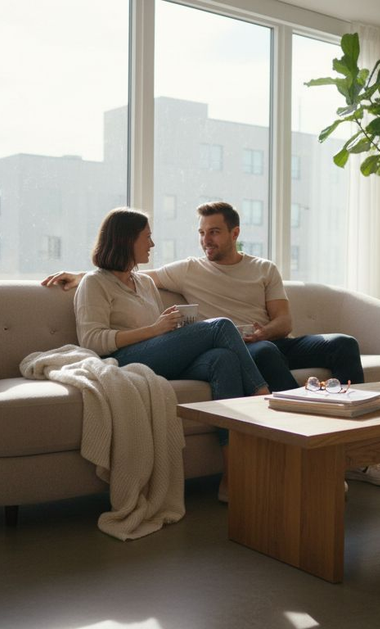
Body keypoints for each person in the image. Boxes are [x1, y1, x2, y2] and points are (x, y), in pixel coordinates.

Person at [44, 202, 380, 488]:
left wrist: (263, 332)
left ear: (234, 233)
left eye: (213, 232)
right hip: (186, 353)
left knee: (330, 345)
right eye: (202, 233)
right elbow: (100, 314)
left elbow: (284, 322)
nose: (205, 240)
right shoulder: (177, 270)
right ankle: (279, 408)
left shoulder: (256, 269)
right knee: (229, 339)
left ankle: (251, 476)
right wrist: (80, 276)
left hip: (265, 341)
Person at [75, 207, 271, 502]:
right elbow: (93, 340)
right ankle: (263, 396)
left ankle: (232, 477)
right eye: (147, 237)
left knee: (223, 359)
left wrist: (172, 328)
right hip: (125, 361)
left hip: (159, 356)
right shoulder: (94, 283)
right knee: (221, 326)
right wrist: (154, 330)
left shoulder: (145, 283)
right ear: (127, 240)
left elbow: (159, 333)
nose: (152, 245)